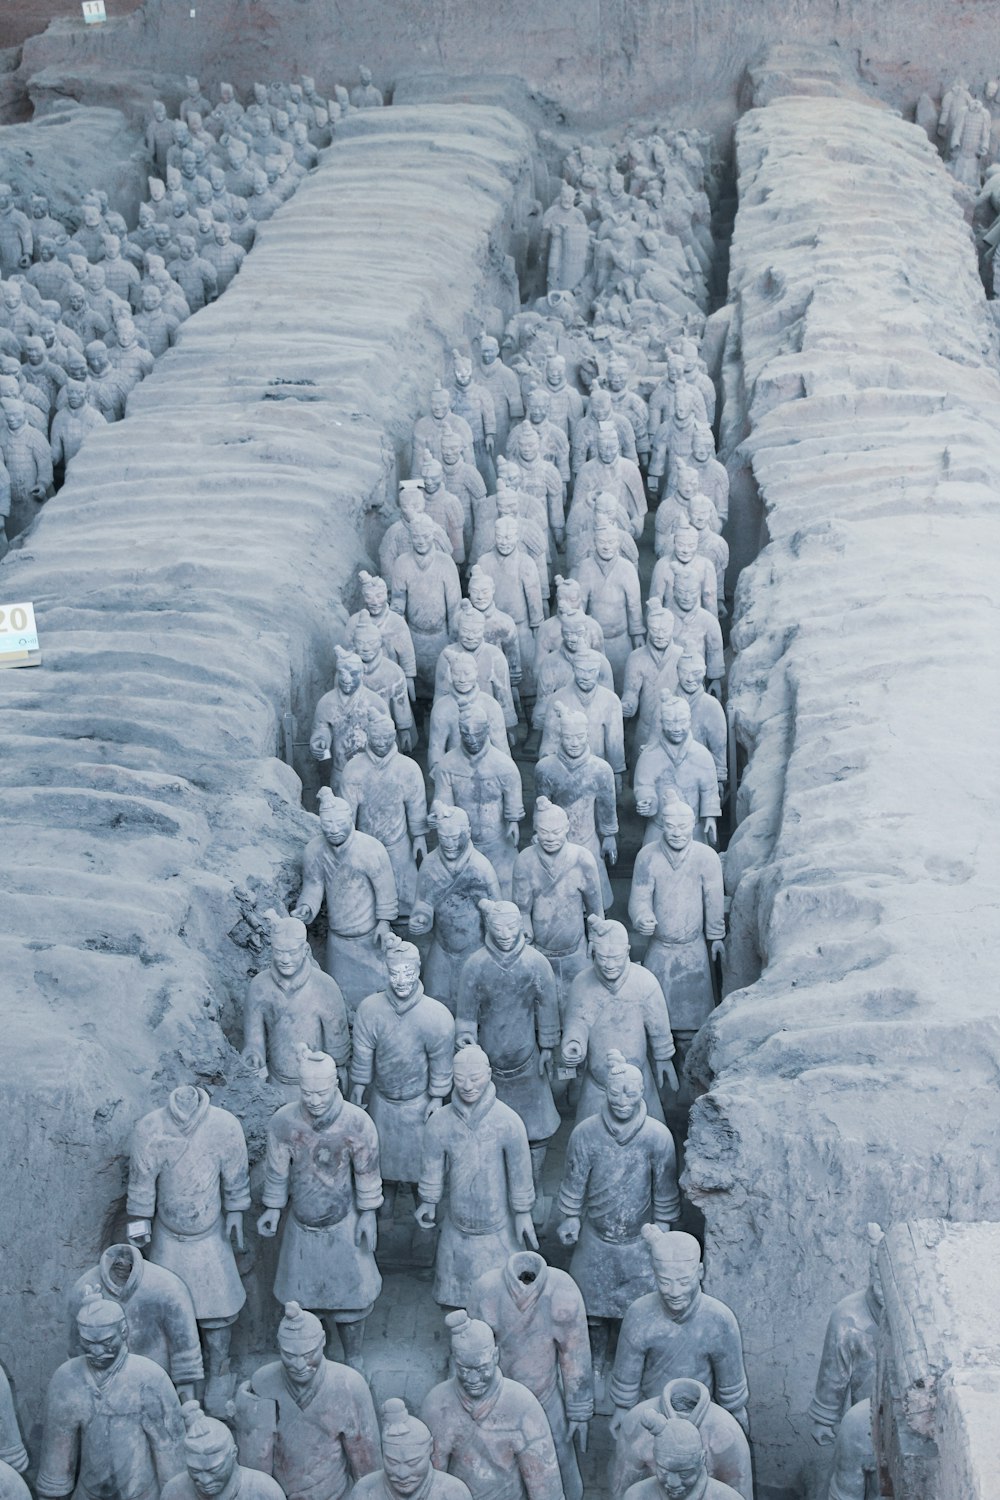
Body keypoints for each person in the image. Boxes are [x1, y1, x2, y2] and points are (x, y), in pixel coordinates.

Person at [127, 1086, 250, 1415]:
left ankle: (219, 1372)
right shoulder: (150, 1128)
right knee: (169, 1314)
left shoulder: (224, 1126)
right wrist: (139, 1226)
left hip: (211, 1238)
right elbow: (141, 1183)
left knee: (218, 1312)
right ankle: (180, 1381)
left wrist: (236, 1212)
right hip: (168, 1240)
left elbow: (235, 1176)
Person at [258, 1047, 382, 1372]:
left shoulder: (357, 1122)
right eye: (307, 1092)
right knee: (303, 1301)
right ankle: (317, 1358)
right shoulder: (283, 1122)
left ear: (336, 1083)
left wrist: (368, 1214)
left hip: (343, 1223)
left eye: (321, 1092)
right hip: (302, 1226)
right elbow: (276, 1171)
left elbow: (368, 1171)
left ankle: (353, 1358)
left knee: (350, 1301)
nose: (313, 1100)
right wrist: (272, 1207)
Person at [415, 1045, 538, 1308]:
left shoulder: (508, 1121)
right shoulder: (439, 1122)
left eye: (475, 1078)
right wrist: (428, 1200)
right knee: (453, 1296)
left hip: (499, 1229)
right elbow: (432, 1165)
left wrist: (523, 1212)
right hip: (456, 1228)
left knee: (504, 1299)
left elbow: (520, 1172)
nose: (468, 1086)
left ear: (490, 1074)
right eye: (460, 1079)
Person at [37, 1290, 185, 1500]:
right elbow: (56, 1469)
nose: (96, 1352)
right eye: (88, 1343)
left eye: (106, 1343)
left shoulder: (150, 1378)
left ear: (123, 1331)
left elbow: (170, 1456)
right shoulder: (67, 1379)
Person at [468, 1252, 592, 1500]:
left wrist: (578, 1411)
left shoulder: (562, 1289)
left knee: (558, 1457)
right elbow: (470, 1351)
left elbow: (575, 1351)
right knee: (496, 1462)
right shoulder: (487, 1289)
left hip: (545, 1397)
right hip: (497, 1398)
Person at [351, 935, 454, 1219]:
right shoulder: (370, 1010)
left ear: (418, 971)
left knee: (424, 1168)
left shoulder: (436, 1015)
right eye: (395, 972)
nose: (401, 980)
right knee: (383, 1167)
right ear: (386, 971)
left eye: (407, 972)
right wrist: (359, 1087)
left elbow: (441, 1062)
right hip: (383, 1104)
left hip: (419, 1106)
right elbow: (362, 1052)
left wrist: (437, 1097)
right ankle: (384, 1222)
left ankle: (424, 1226)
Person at [610, 1229, 749, 1438]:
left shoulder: (719, 1319)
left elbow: (730, 1387)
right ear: (654, 1274)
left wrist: (736, 1416)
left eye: (684, 1282)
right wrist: (622, 1409)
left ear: (700, 1272)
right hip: (651, 1415)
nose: (674, 1292)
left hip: (702, 1419)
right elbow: (627, 1377)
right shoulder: (639, 1314)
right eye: (665, 1282)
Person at [234, 1302, 380, 1500]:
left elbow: (367, 1466)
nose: (299, 1365)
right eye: (289, 1355)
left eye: (308, 1354)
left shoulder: (349, 1385)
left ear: (323, 1342)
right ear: (279, 1347)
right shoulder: (263, 1381)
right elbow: (256, 1464)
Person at [420, 1311, 563, 1500]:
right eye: (464, 1369)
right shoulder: (437, 1403)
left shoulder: (522, 1405)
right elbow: (430, 1482)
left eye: (481, 1369)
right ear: (454, 1361)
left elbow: (544, 1481)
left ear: (495, 1356)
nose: (473, 1379)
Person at [292, 790, 397, 1015]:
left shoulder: (371, 849)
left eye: (339, 823)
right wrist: (306, 907)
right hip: (338, 939)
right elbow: (313, 885)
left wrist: (384, 922)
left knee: (379, 995)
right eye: (327, 825)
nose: (333, 830)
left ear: (350, 819)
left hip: (370, 938)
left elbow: (385, 888)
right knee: (340, 996)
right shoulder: (314, 850)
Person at [242, 910, 350, 1097]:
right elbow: (254, 1041)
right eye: (279, 952)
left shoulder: (325, 986)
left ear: (305, 950)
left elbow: (338, 1052)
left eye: (292, 953)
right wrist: (254, 1057)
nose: (285, 960)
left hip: (317, 1086)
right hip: (276, 1084)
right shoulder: (259, 986)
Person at [162, 1401, 285, 1500]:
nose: (205, 1481)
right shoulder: (174, 1492)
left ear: (234, 1454)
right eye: (195, 1471)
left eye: (214, 1470)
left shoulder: (264, 1491)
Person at [621, 1416, 743, 1500]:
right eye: (664, 1472)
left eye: (684, 1475)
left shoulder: (727, 1498)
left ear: (702, 1460)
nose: (673, 1483)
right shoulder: (636, 1496)